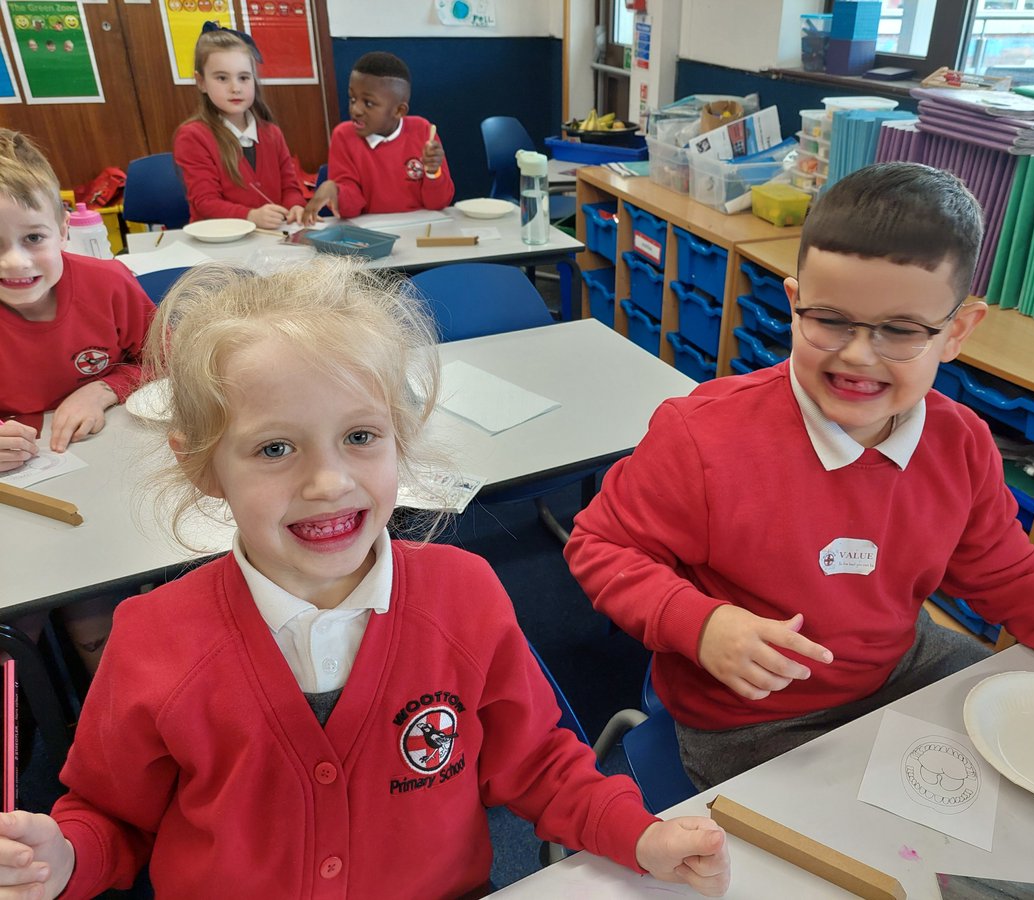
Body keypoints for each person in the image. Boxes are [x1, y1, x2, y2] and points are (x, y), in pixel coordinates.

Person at [0, 258, 730, 898]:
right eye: (275, 448)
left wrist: (637, 835)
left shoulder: (463, 595)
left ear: (398, 437)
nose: (328, 482)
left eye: (360, 437)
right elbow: (112, 818)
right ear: (202, 466)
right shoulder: (152, 639)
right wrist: (61, 860)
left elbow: (536, 764)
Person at [565, 162, 1034, 791]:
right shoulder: (701, 436)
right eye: (830, 320)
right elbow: (599, 546)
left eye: (900, 330)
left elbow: (1023, 589)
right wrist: (698, 624)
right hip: (750, 716)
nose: (858, 354)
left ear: (957, 331)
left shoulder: (961, 445)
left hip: (899, 666)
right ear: (793, 306)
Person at [0, 128, 155, 673]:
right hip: (18, 504)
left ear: (65, 230)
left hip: (108, 488)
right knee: (19, 619)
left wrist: (104, 387)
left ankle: (105, 714)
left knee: (93, 610)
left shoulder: (108, 285)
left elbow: (166, 360)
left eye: (34, 238)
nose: (15, 263)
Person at [173, 23, 306, 228]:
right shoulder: (192, 136)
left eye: (243, 77)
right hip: (221, 244)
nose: (235, 88)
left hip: (271, 243)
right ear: (201, 82)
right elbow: (205, 203)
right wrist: (250, 216)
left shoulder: (272, 133)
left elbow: (290, 188)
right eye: (222, 78)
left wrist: (295, 205)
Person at [302, 51, 452, 223]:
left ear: (398, 111)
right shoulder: (344, 136)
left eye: (368, 103)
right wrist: (335, 190)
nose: (355, 110)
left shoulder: (423, 130)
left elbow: (439, 203)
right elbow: (352, 208)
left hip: (420, 229)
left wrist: (433, 173)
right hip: (372, 233)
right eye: (352, 99)